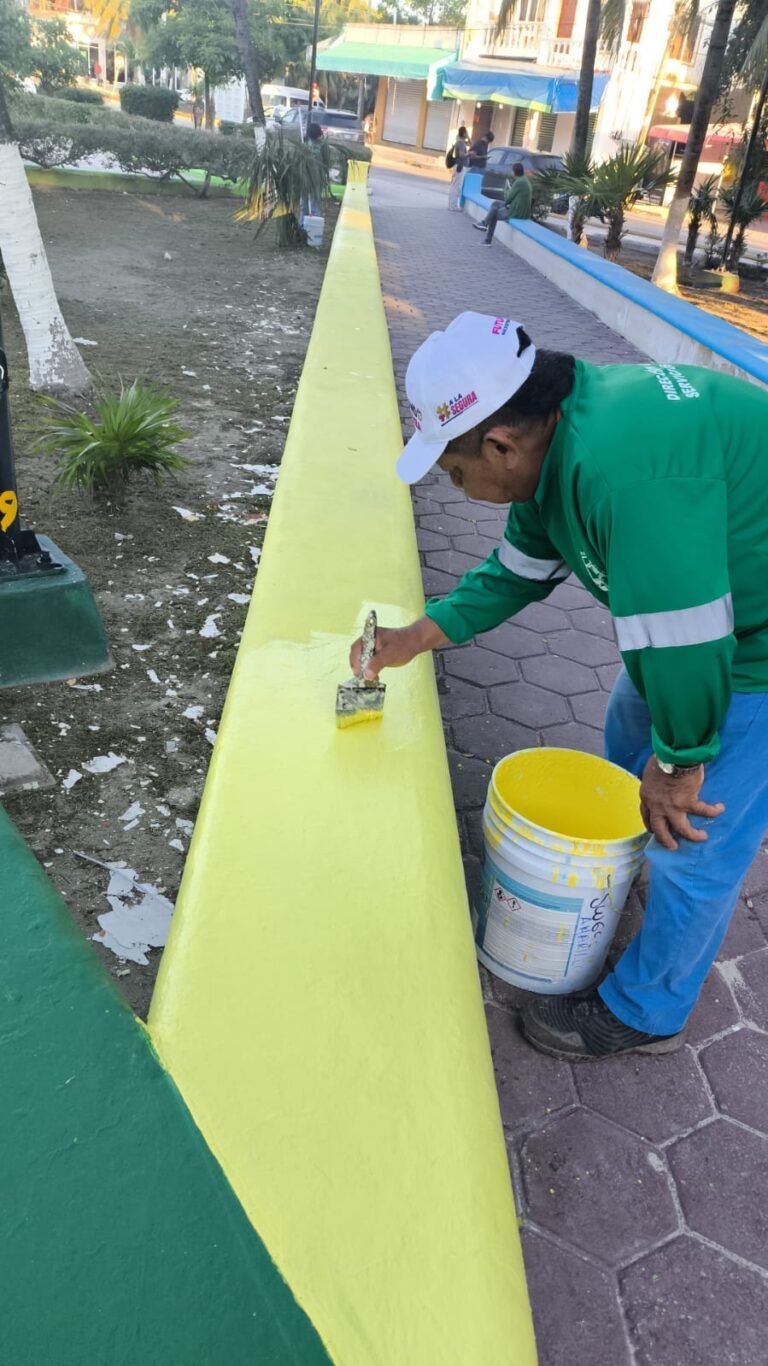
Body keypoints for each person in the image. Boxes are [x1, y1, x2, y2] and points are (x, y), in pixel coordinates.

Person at [349, 311, 768, 1062]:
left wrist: (680, 767)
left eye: (454, 470)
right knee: (631, 734)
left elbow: (688, 637)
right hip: (702, 624)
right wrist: (416, 637)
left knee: (696, 835)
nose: (459, 486)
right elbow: (516, 573)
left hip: (751, 648)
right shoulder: (557, 443)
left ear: (500, 444)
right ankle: (633, 864)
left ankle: (648, 1010)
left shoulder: (621, 469)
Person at [473, 161, 532, 245]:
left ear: (514, 172)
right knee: (495, 204)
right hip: (517, 208)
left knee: (494, 214)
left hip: (517, 212)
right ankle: (484, 224)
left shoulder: (519, 182)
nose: (511, 172)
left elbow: (508, 199)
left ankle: (487, 239)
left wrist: (507, 190)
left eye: (512, 171)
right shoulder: (524, 180)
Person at [447, 125, 470, 212]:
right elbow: (461, 155)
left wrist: (468, 138)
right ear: (464, 133)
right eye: (466, 132)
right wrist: (469, 154)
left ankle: (451, 205)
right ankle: (453, 206)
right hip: (460, 166)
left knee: (455, 185)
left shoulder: (461, 142)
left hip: (458, 166)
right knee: (456, 186)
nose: (467, 134)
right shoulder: (460, 143)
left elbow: (470, 143)